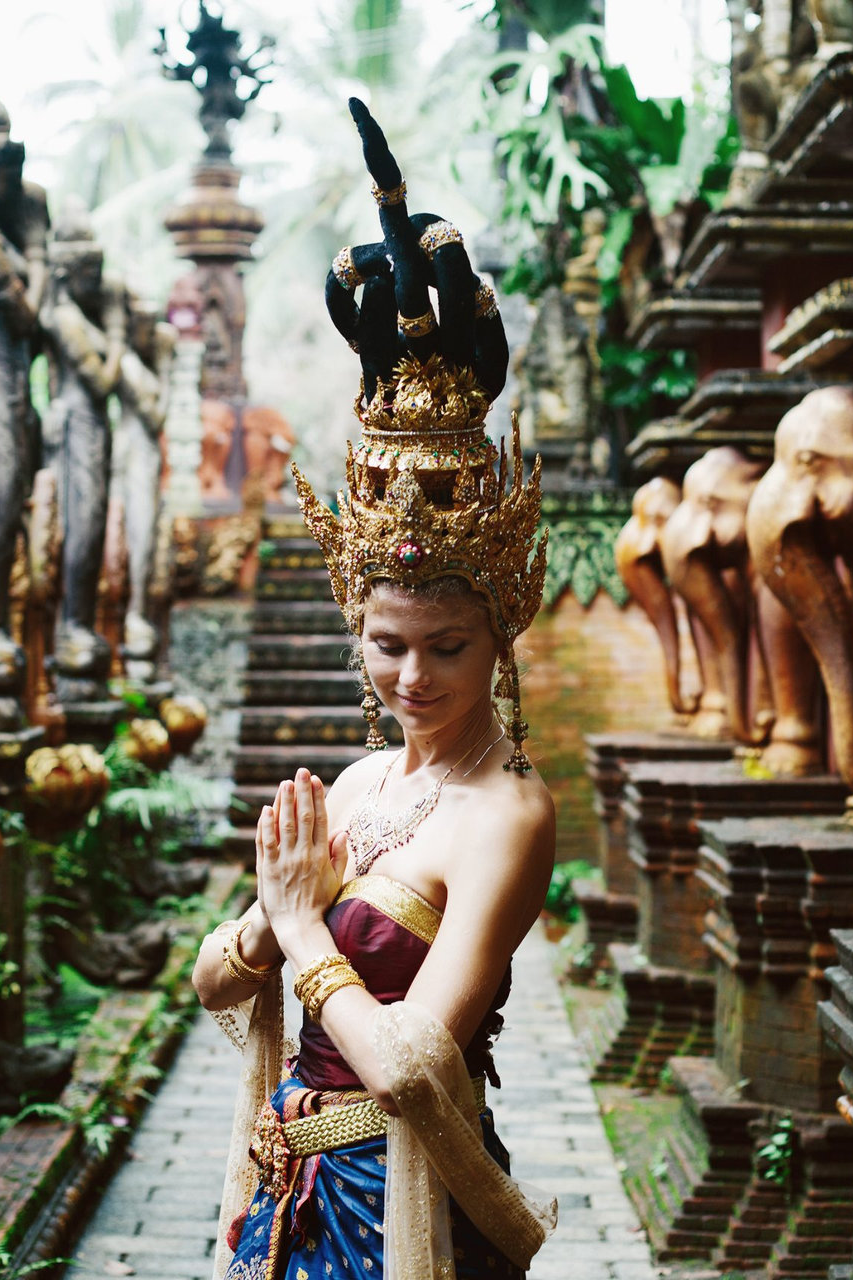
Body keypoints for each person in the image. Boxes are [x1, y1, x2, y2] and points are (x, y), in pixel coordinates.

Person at [193, 100, 558, 1280]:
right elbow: (211, 980)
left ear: (501, 631)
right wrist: (264, 916)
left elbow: (407, 1058)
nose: (412, 675)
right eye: (387, 642)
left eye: (445, 646)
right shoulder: (355, 780)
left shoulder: (509, 812)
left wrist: (303, 924)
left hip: (406, 1205)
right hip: (291, 1181)